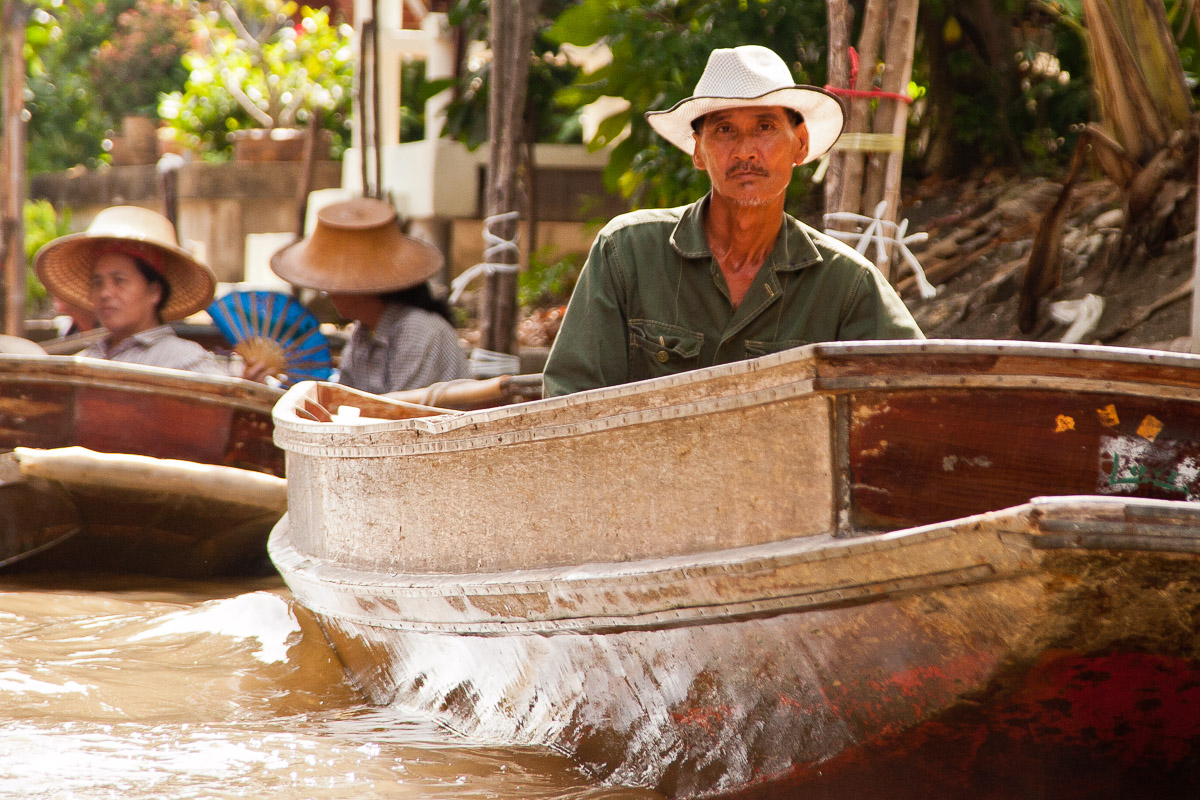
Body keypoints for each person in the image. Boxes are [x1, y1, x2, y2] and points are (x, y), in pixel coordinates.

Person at [542, 45, 924, 398]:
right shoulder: (626, 253)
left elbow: (918, 396)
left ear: (801, 143)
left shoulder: (846, 284)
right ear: (698, 150)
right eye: (724, 130)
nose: (745, 151)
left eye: (765, 127)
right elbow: (570, 399)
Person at [270, 198, 469, 394]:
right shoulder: (363, 333)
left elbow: (400, 414)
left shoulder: (418, 331)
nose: (328, 294)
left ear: (364, 289)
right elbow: (345, 398)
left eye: (333, 284)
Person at [35, 205, 227, 375]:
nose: (105, 293)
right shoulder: (83, 361)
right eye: (98, 283)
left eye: (120, 281)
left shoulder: (184, 362)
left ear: (154, 292)